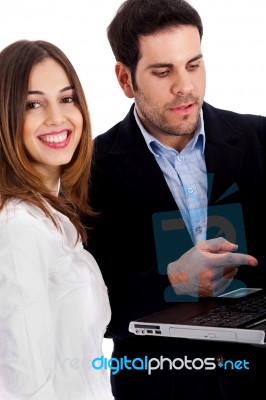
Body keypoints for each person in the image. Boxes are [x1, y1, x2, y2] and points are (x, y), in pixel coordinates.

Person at [85, 0, 266, 399]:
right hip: (161, 386)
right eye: (163, 71)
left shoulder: (260, 140)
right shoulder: (88, 170)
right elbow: (89, 313)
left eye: (194, 65)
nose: (184, 85)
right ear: (125, 79)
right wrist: (174, 280)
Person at [0, 40, 113, 400]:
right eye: (33, 104)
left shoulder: (53, 218)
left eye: (67, 99)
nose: (57, 117)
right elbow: (27, 386)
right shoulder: (18, 228)